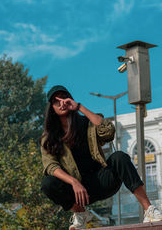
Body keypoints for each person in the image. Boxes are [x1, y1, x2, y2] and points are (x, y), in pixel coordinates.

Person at [40, 85, 162, 230]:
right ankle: (80, 213)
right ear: (51, 108)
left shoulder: (87, 124)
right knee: (47, 183)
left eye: (64, 98)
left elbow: (108, 131)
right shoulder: (49, 138)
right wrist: (74, 182)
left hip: (101, 182)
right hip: (78, 193)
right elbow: (50, 166)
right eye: (56, 101)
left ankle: (149, 210)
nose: (62, 103)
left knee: (119, 157)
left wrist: (79, 107)